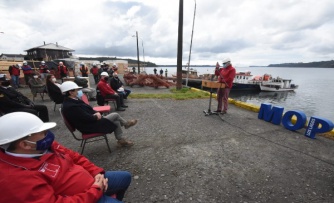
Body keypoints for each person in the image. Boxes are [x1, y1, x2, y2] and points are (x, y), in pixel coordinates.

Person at [0, 112, 132, 202]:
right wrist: (95, 191)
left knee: (125, 177)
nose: (49, 135)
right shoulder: (15, 179)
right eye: (43, 133)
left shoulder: (43, 146)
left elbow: (75, 157)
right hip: (86, 196)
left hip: (93, 182)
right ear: (24, 144)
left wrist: (96, 172)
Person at [61, 81, 137, 147]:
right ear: (70, 92)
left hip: (91, 122)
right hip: (88, 126)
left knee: (116, 122)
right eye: (76, 90)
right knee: (115, 115)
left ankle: (121, 140)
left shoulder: (73, 101)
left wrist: (96, 112)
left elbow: (88, 109)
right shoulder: (71, 106)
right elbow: (85, 118)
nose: (78, 92)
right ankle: (126, 124)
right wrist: (96, 116)